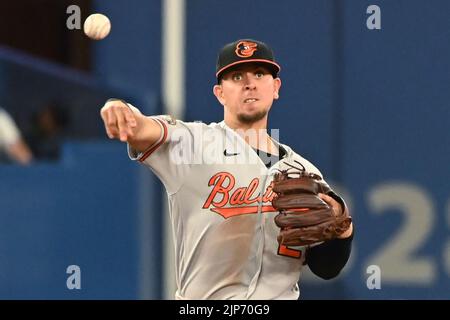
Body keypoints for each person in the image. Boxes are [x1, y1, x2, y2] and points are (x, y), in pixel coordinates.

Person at [100, 39, 354, 300]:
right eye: (236, 76)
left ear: (276, 87)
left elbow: (326, 268)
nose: (249, 83)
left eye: (259, 73)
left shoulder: (303, 171)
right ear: (220, 93)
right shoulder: (192, 144)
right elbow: (142, 129)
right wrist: (120, 108)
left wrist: (342, 229)